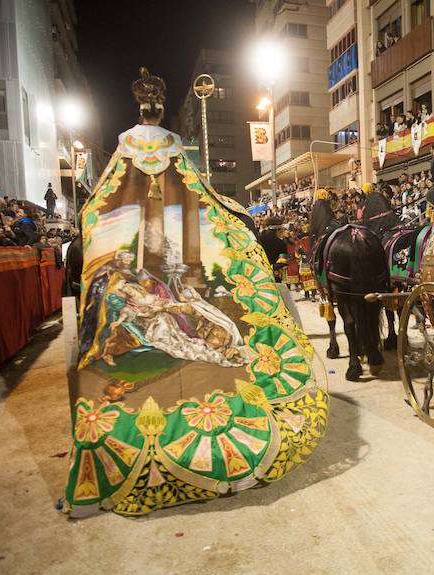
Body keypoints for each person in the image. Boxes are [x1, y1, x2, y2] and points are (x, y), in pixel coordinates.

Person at [64, 67, 327, 518]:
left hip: (163, 286)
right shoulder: (171, 148)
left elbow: (100, 198)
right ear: (160, 109)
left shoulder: (126, 148)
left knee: (187, 319)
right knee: (186, 319)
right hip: (158, 289)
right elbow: (200, 188)